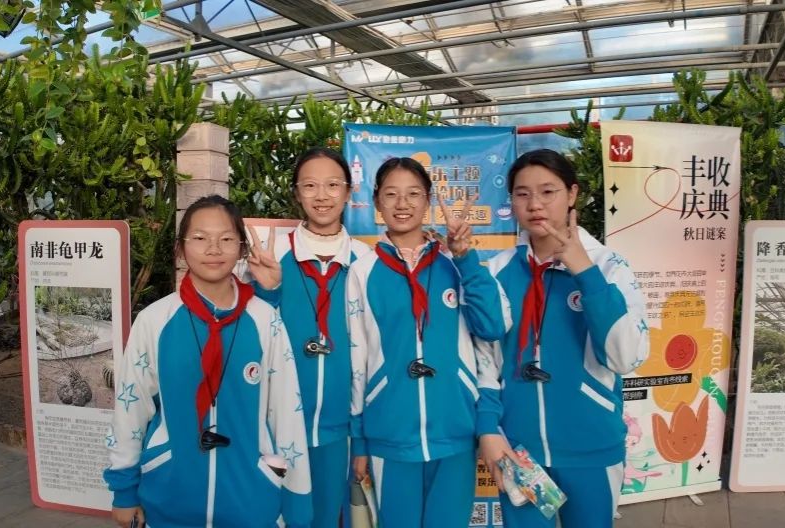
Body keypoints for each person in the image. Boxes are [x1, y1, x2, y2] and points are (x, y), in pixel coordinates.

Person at [104, 195, 311, 528]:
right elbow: (131, 409)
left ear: (241, 249)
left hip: (250, 502)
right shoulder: (154, 320)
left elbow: (288, 411)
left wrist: (298, 501)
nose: (213, 249)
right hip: (170, 500)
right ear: (180, 248)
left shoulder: (265, 320)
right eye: (200, 238)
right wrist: (124, 491)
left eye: (226, 239)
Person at [475, 149, 649, 527]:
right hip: (520, 453)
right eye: (522, 194)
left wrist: (584, 271)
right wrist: (488, 428)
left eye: (547, 191)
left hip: (591, 449)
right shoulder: (498, 271)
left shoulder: (609, 267)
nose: (535, 204)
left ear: (572, 194)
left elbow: (626, 357)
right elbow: (486, 360)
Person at [348, 157, 510, 528]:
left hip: (455, 433)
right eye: (391, 194)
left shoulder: (457, 264)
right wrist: (359, 439)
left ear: (428, 200)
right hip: (390, 436)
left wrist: (466, 259)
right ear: (377, 201)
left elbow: (493, 327)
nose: (402, 204)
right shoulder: (361, 271)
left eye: (413, 194)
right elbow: (357, 359)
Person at [246, 147, 372, 528]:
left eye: (333, 185)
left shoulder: (366, 261)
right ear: (296, 193)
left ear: (348, 192)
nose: (322, 196)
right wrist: (267, 291)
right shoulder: (272, 254)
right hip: (278, 426)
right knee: (278, 518)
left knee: (328, 518)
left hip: (339, 430)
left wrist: (360, 434)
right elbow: (250, 337)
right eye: (310, 185)